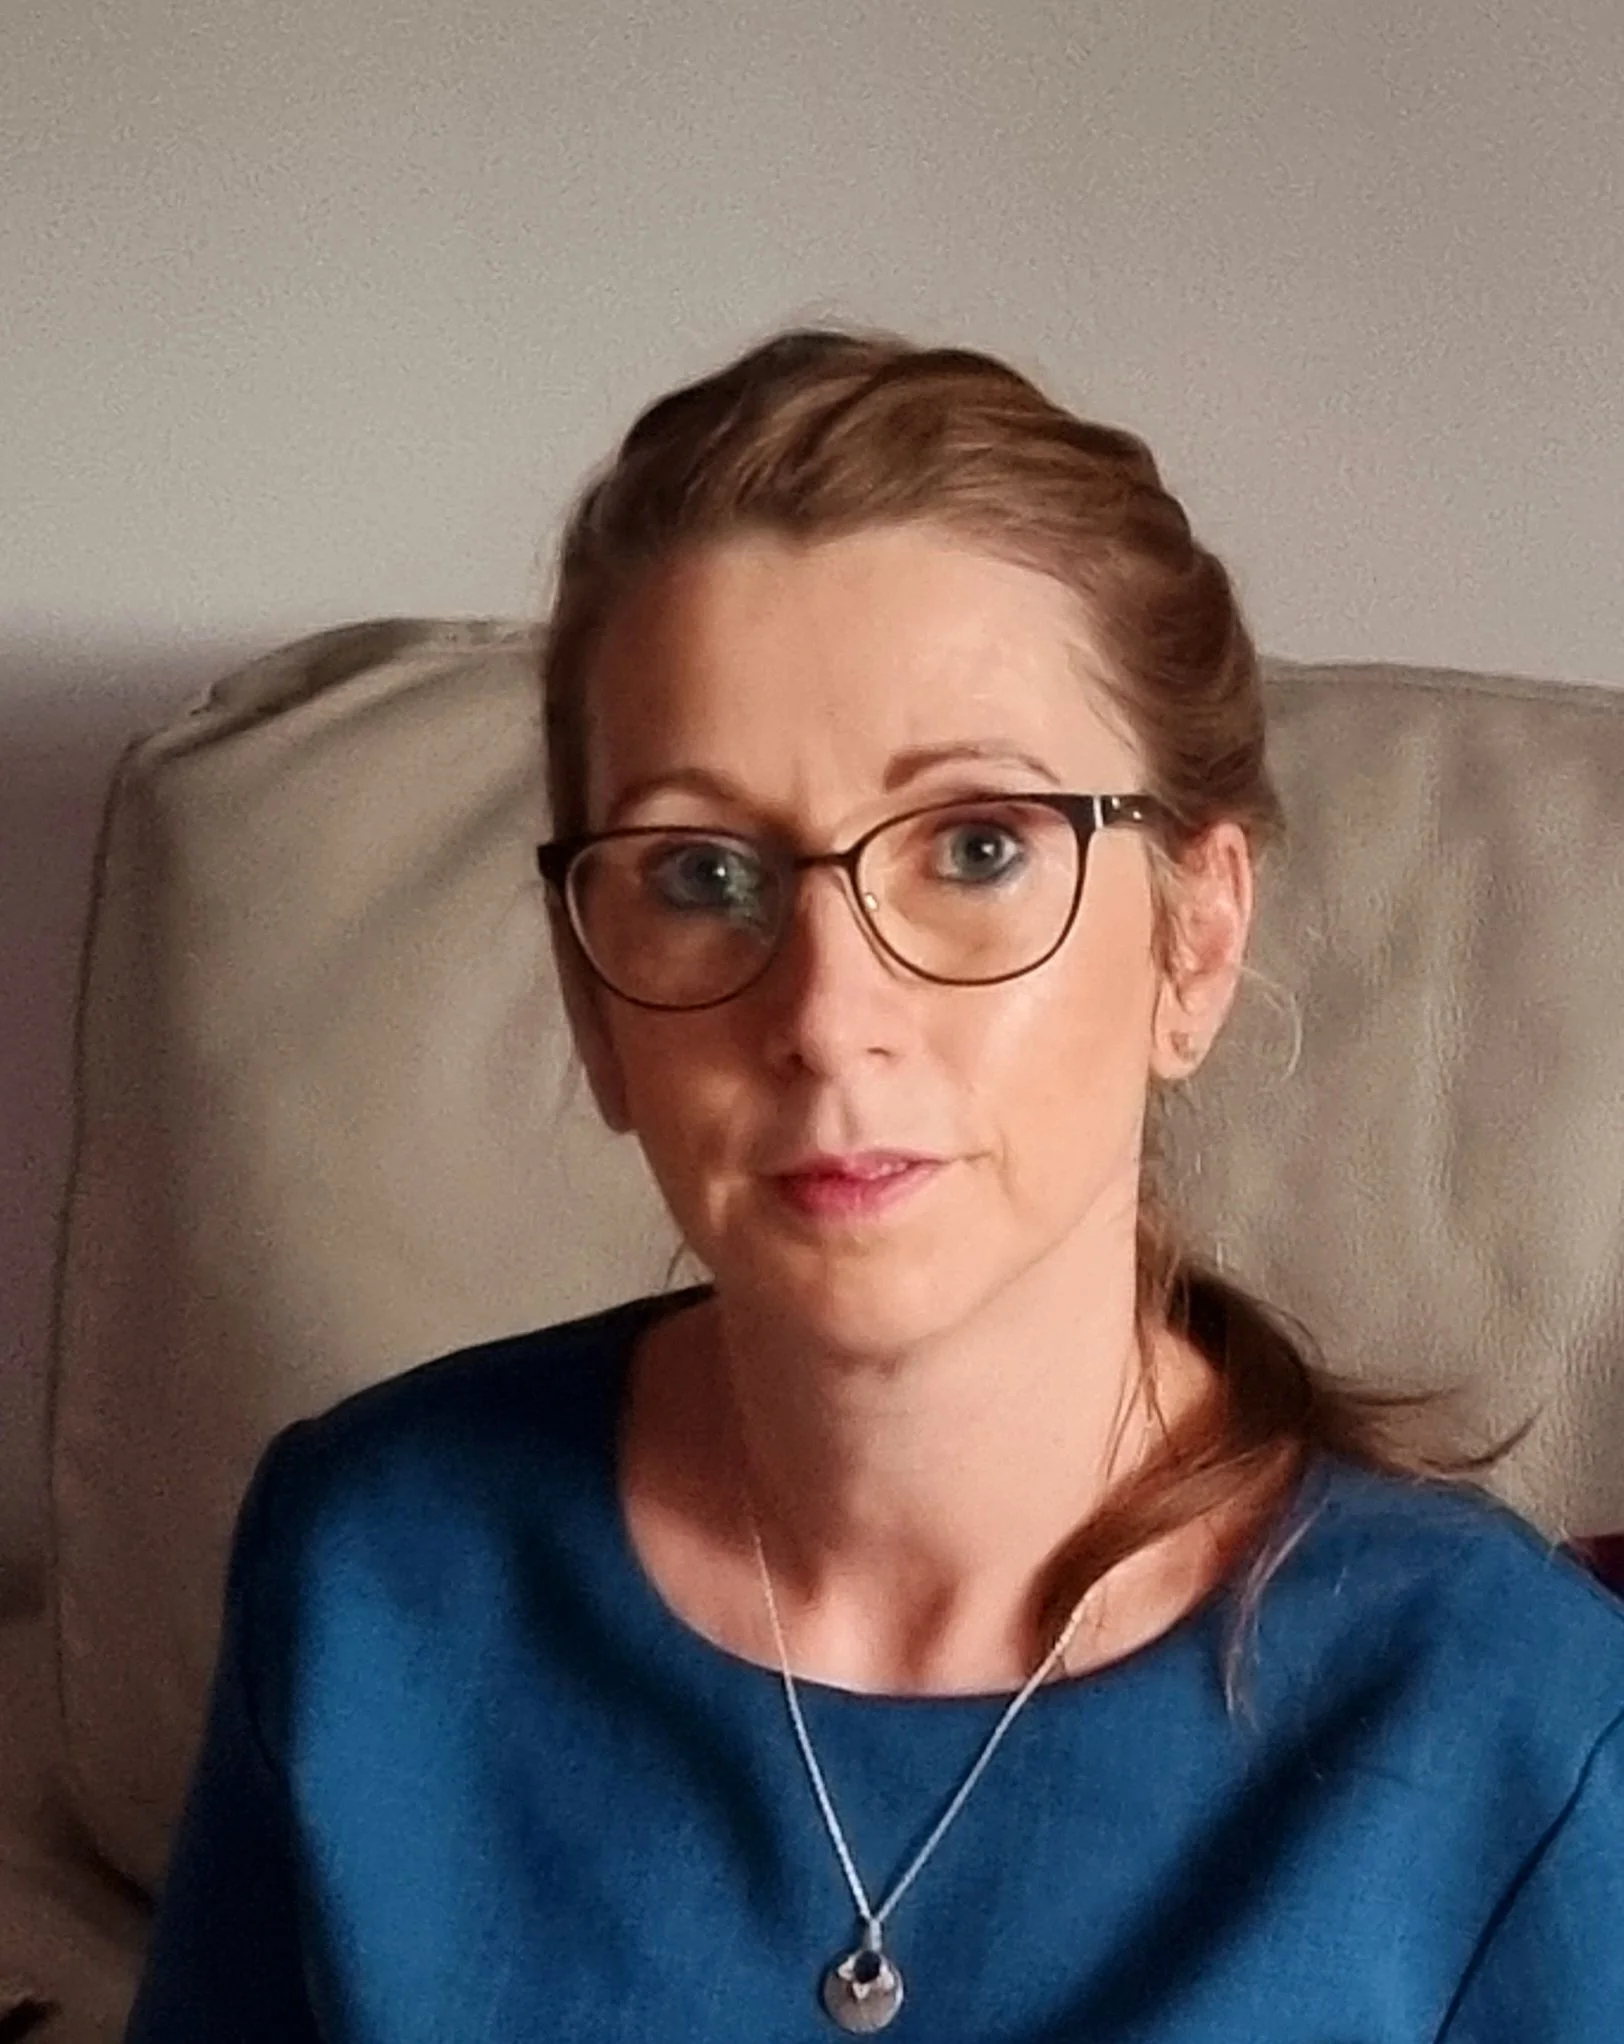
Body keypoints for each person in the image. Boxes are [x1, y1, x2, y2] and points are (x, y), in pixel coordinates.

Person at [124, 329, 1624, 2042]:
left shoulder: (1516, 1731)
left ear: (1196, 938)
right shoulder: (369, 1570)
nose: (829, 1017)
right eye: (699, 873)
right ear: (588, 994)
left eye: (979, 846)